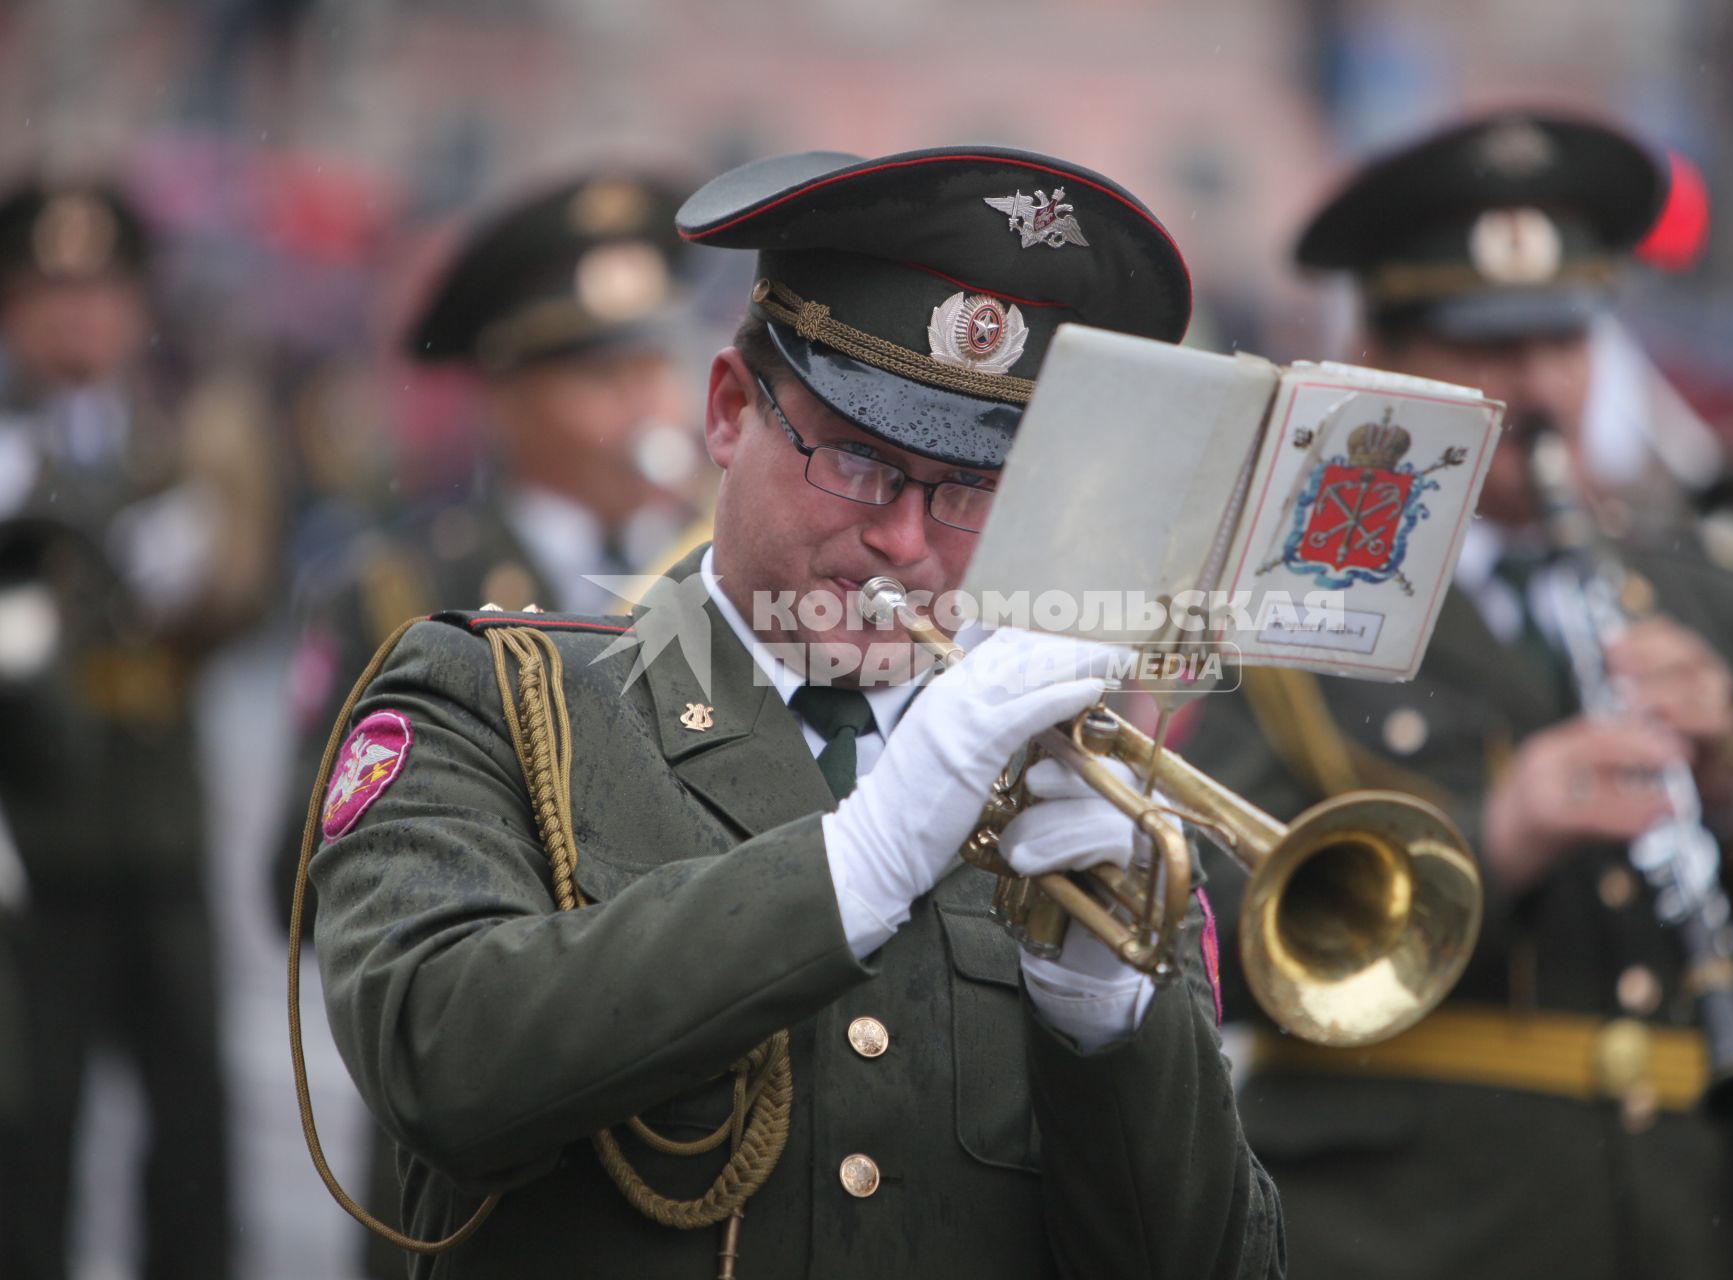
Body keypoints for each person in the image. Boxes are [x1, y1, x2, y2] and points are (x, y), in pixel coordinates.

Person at [299, 145, 1283, 1277]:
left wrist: (1116, 1029)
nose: (904, 542)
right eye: (859, 461)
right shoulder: (494, 700)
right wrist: (858, 859)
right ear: (728, 412)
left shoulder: (1081, 784)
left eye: (970, 490)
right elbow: (438, 1058)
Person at [1182, 110, 1733, 1280]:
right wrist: (1493, 838)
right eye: (1489, 346)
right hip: (1400, 1233)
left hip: (1702, 1227)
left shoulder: (1705, 592)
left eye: (1566, 339)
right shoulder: (1290, 596)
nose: (1540, 385)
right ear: (1386, 354)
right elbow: (1199, 937)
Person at [275, 167, 711, 1279]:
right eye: (604, 377)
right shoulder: (399, 586)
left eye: (654, 368)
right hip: (490, 1127)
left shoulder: (729, 584)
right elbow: (303, 868)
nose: (645, 409)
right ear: (508, 394)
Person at [0, 178, 250, 1279]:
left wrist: (209, 567)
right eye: (49, 293)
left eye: (99, 293)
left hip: (161, 840)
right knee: (29, 1128)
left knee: (192, 1121)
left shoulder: (179, 446)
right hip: (34, 851)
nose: (77, 319)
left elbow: (243, 599)